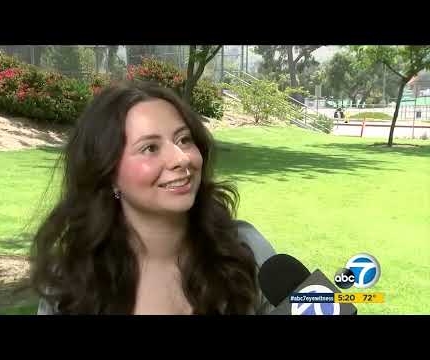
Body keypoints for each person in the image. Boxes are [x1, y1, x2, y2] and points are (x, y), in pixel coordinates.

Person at [31, 81, 276, 315]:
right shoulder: (71, 277)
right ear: (108, 173)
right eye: (150, 148)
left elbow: (311, 301)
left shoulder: (247, 249)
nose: (181, 158)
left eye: (184, 139)